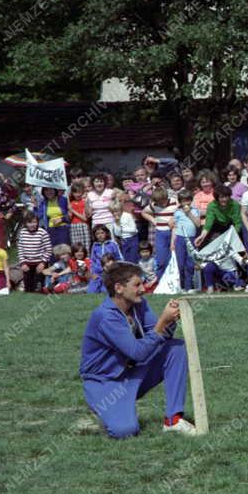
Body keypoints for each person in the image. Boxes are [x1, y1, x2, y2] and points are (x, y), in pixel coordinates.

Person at [80, 261, 196, 438]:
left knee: (175, 348)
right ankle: (103, 411)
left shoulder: (139, 304)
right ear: (119, 288)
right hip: (104, 382)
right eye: (137, 285)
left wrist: (171, 320)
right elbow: (138, 352)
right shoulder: (105, 316)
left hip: (131, 374)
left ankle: (173, 421)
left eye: (143, 283)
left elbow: (159, 338)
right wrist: (162, 322)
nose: (143, 289)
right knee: (125, 431)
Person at [142, 187, 177, 280]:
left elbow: (182, 210)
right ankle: (160, 280)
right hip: (160, 233)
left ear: (166, 198)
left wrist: (174, 218)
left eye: (162, 202)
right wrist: (153, 220)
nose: (161, 204)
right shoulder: (154, 205)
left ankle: (172, 280)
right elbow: (144, 212)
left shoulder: (174, 202)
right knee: (161, 260)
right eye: (158, 203)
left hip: (173, 232)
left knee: (172, 257)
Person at [171, 190, 200, 292]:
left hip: (191, 239)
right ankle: (181, 285)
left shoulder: (195, 211)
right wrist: (172, 242)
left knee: (190, 263)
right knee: (180, 263)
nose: (186, 203)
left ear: (191, 201)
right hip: (180, 239)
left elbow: (198, 224)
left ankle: (189, 286)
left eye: (188, 200)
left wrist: (189, 213)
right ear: (180, 202)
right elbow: (174, 228)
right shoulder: (177, 212)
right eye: (183, 201)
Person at [18, 212, 52, 293]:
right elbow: (20, 249)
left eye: (34, 222)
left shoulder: (42, 232)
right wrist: (23, 263)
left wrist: (43, 263)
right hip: (27, 264)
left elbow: (49, 249)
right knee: (28, 289)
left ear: (37, 222)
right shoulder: (22, 232)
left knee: (38, 288)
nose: (32, 225)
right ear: (25, 223)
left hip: (40, 264)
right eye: (29, 222)